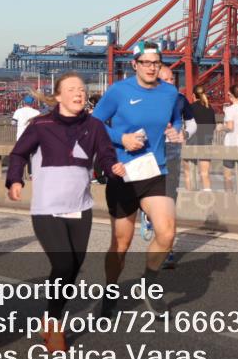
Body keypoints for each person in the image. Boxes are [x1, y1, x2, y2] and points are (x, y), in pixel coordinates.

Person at [6, 72, 125, 351]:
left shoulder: (95, 126)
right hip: (47, 207)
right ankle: (56, 326)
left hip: (80, 206)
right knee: (63, 264)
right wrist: (15, 179)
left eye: (82, 90)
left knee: (73, 267)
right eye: (72, 89)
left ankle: (49, 317)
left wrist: (113, 168)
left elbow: (106, 154)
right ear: (58, 95)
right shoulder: (40, 125)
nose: (79, 93)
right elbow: (18, 154)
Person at [92, 41, 182, 318]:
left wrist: (176, 131)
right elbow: (93, 125)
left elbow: (177, 119)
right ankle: (110, 290)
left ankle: (149, 284)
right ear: (134, 64)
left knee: (166, 232)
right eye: (146, 62)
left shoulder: (170, 93)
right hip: (123, 172)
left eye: (156, 63)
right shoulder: (119, 91)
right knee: (122, 243)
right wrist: (122, 138)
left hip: (155, 170)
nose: (152, 67)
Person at [156, 65, 196, 268]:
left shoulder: (180, 99)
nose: (170, 83)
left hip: (172, 154)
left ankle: (168, 249)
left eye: (172, 79)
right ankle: (148, 217)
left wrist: (185, 134)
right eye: (165, 80)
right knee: (153, 201)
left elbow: (192, 122)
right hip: (150, 157)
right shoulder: (146, 100)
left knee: (170, 200)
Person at [184, 85, 216, 192]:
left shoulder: (190, 108)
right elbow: (213, 126)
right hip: (206, 143)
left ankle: (191, 197)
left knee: (189, 173)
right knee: (205, 173)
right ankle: (208, 198)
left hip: (192, 143)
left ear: (193, 95)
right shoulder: (210, 108)